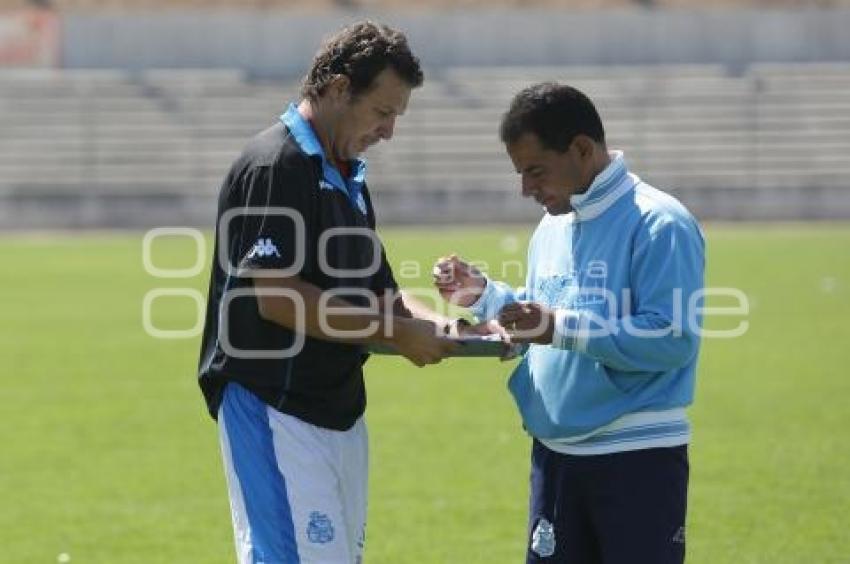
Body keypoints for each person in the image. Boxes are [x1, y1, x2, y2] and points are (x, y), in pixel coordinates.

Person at [198, 21, 464, 564]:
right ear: (339, 88)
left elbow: (385, 293)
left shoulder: (345, 174)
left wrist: (459, 329)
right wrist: (395, 331)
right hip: (273, 407)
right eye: (383, 111)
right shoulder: (278, 164)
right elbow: (278, 297)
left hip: (336, 412)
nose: (389, 131)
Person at [434, 83, 705, 564]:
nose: (526, 188)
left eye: (535, 171)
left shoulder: (661, 223)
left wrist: (557, 326)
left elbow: (672, 338)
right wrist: (484, 298)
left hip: (635, 461)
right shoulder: (552, 225)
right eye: (520, 174)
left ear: (582, 149)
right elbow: (540, 320)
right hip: (555, 460)